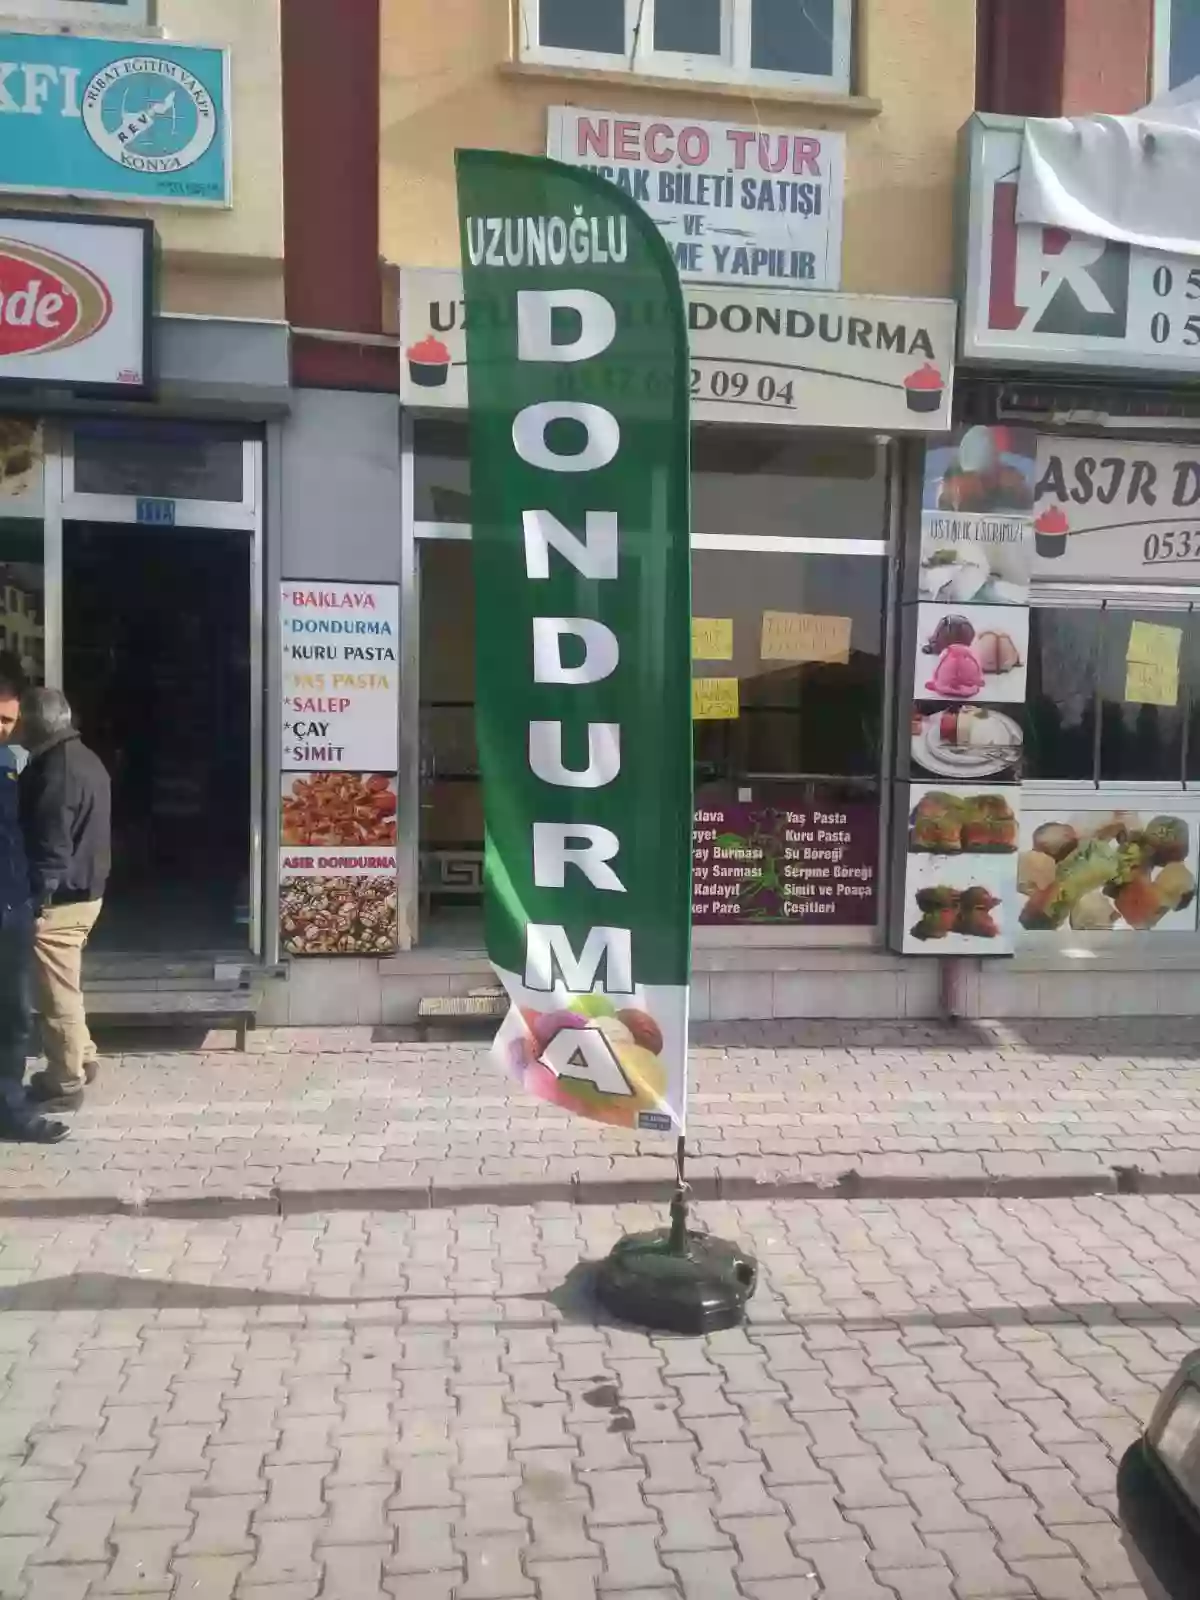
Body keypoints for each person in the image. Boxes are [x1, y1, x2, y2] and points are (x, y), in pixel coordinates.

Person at [18, 688, 111, 1112]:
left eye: (20, 722)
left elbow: (51, 852)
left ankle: (65, 1082)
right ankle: (83, 1057)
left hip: (61, 901)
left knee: (56, 997)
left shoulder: (58, 771)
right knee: (66, 984)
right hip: (84, 892)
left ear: (35, 724)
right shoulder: (83, 758)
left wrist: (33, 903)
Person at [0, 668, 66, 1142]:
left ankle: (10, 1110)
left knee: (14, 1016)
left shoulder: (9, 762)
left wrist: (28, 898)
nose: (3, 729)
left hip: (11, 909)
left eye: (9, 721)